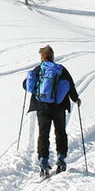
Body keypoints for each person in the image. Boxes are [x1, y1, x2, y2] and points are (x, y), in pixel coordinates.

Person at [23, 45, 81, 176]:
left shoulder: (39, 69)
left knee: (43, 134)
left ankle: (43, 161)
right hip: (59, 106)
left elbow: (26, 85)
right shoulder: (60, 69)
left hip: (42, 107)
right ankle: (61, 159)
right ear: (53, 56)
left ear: (42, 57)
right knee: (60, 132)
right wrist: (76, 99)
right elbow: (70, 85)